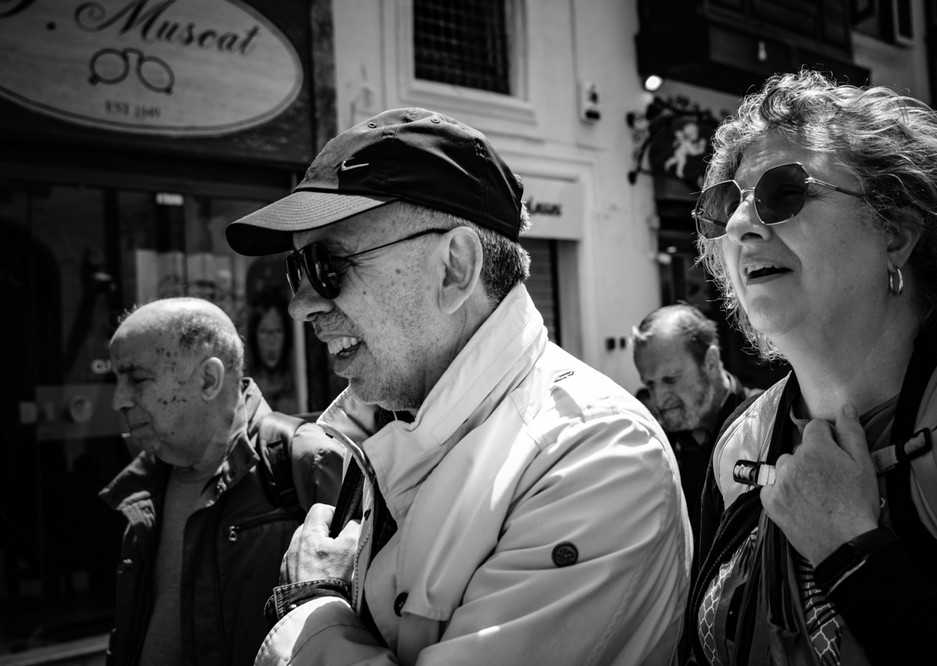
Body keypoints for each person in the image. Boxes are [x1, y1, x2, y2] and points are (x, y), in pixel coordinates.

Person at [225, 107, 692, 665]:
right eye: (295, 270)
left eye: (327, 266)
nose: (302, 304)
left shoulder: (597, 454)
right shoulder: (384, 421)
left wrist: (310, 608)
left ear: (454, 268)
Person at [683, 69, 937, 665]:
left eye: (784, 193)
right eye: (726, 204)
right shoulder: (738, 448)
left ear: (896, 234)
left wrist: (850, 552)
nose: (739, 225)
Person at [99, 297, 345, 666]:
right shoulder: (144, 483)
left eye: (136, 379)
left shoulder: (306, 461)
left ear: (209, 379)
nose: (119, 399)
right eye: (116, 380)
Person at [631, 304, 760, 539]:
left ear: (710, 362)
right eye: (649, 384)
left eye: (670, 379)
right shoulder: (653, 443)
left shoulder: (766, 424)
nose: (659, 398)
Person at [247, 293, 298, 413]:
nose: (271, 340)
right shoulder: (246, 386)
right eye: (264, 332)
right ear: (254, 337)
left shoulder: (298, 381)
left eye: (278, 331)